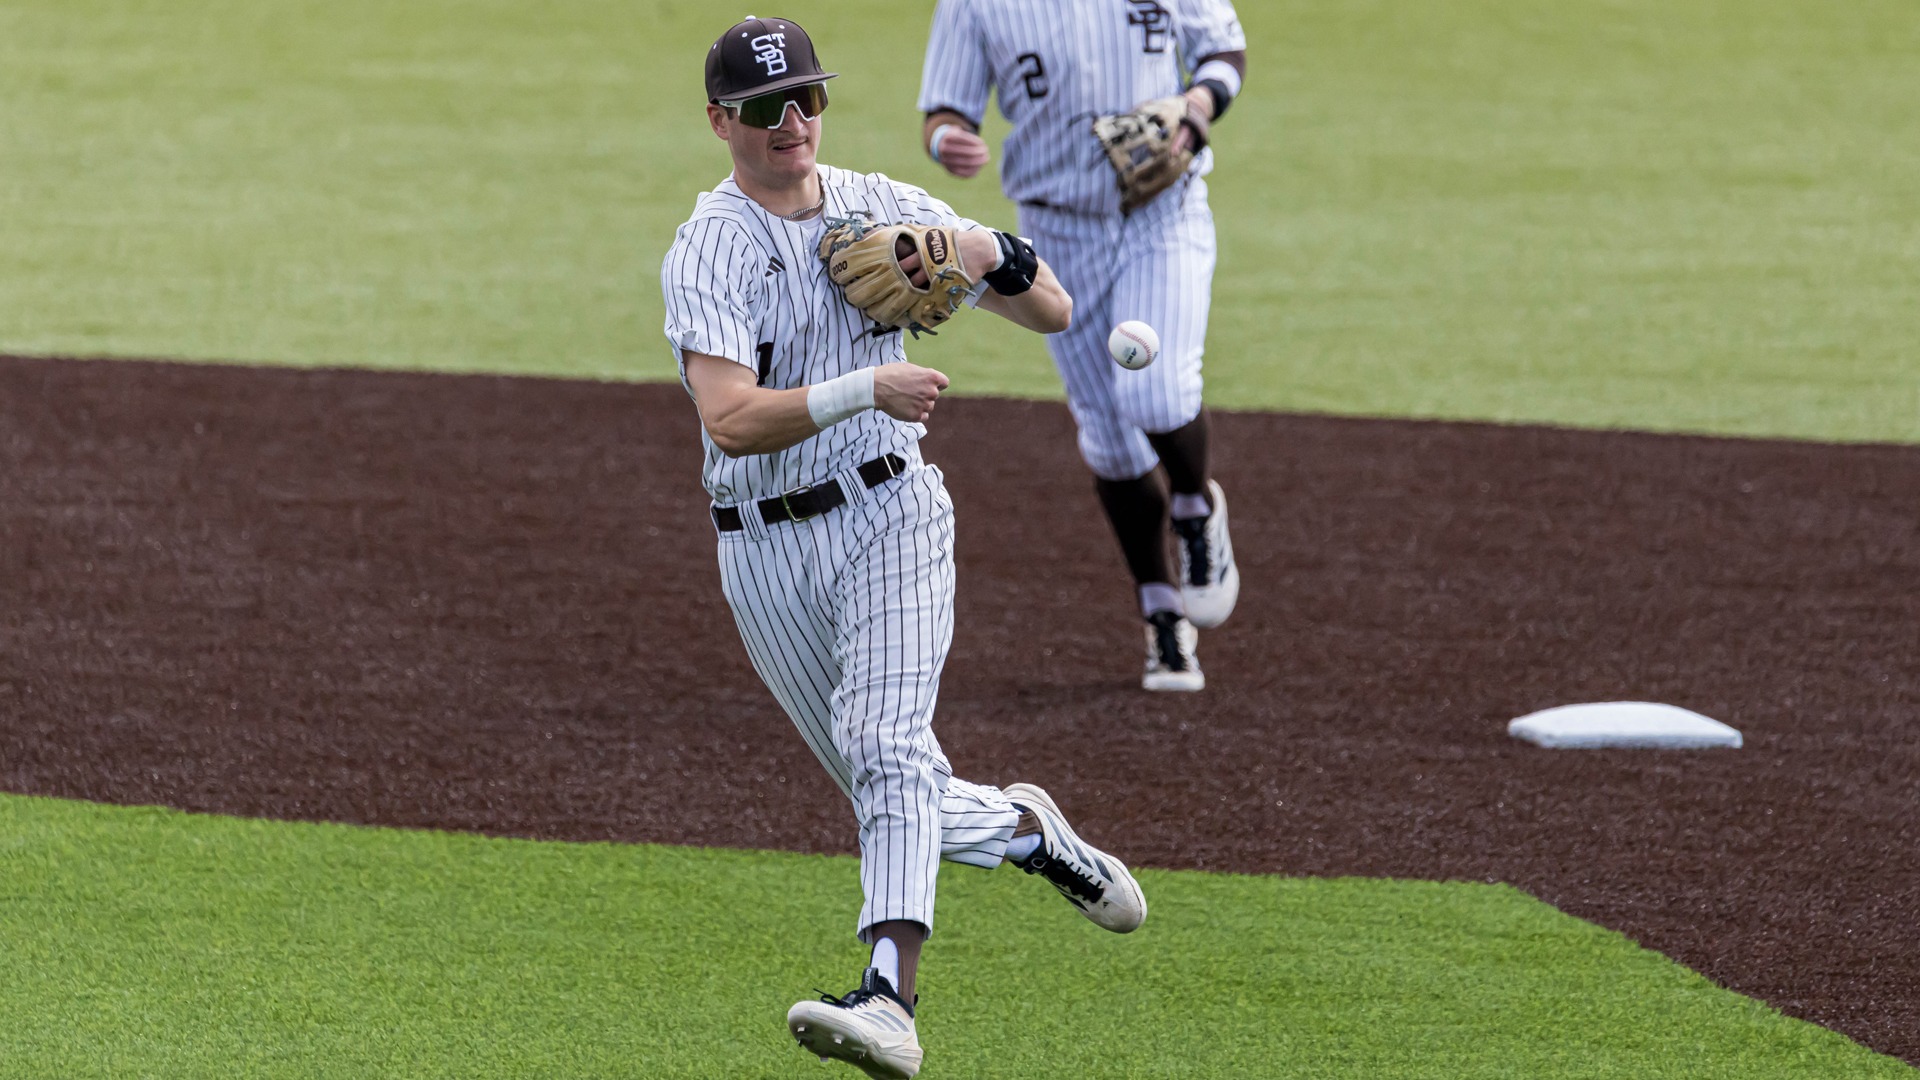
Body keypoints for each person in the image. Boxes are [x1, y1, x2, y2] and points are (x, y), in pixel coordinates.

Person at [661, 17, 1147, 1079]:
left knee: (887, 748)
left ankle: (888, 998)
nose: (790, 123)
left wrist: (986, 253)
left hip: (892, 514)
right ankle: (1029, 833)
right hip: (762, 553)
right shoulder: (708, 247)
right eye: (761, 108)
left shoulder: (885, 204)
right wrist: (864, 386)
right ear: (719, 122)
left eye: (807, 100)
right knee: (890, 784)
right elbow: (731, 419)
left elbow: (1056, 310)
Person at [918, 0, 1248, 692]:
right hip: (1057, 229)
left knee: (1156, 390)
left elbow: (1224, 50)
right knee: (1108, 438)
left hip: (1164, 209)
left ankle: (1194, 506)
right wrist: (948, 141)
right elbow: (945, 113)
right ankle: (1162, 617)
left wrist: (1197, 102)